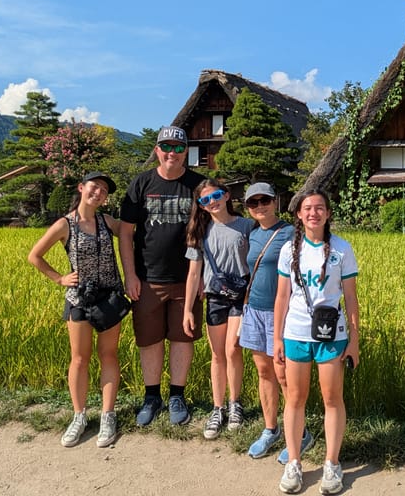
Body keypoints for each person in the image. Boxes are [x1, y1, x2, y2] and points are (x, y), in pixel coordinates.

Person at [27, 171, 124, 448]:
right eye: (95, 187)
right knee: (79, 358)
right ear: (82, 188)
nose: (99, 193)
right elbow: (34, 255)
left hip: (109, 298)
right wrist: (59, 278)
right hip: (79, 299)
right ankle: (79, 415)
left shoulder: (107, 222)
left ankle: (107, 415)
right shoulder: (65, 224)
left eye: (104, 191)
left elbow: (132, 231)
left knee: (108, 355)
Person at [273, 189, 360, 495]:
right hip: (296, 332)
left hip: (332, 336)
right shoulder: (288, 250)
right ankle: (294, 462)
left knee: (332, 398)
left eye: (320, 207)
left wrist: (354, 340)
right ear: (299, 214)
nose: (314, 213)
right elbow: (282, 297)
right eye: (308, 208)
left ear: (328, 213)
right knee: (295, 398)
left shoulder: (341, 249)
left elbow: (350, 298)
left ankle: (331, 464)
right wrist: (277, 339)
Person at [119, 126, 205, 427]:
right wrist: (129, 275)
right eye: (166, 146)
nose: (172, 152)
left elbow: (215, 229)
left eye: (179, 148)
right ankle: (151, 395)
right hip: (147, 278)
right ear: (157, 150)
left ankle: (177, 395)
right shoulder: (141, 183)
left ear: (186, 152)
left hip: (187, 279)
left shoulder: (198, 185)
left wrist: (205, 274)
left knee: (183, 338)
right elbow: (126, 233)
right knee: (149, 339)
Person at [237, 182, 313, 462]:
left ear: (276, 200)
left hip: (281, 313)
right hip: (253, 309)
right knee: (264, 372)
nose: (260, 206)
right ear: (247, 207)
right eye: (253, 203)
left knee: (283, 374)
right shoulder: (252, 232)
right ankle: (271, 429)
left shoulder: (292, 233)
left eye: (264, 200)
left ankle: (300, 433)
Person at [182, 179, 255, 440]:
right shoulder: (201, 232)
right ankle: (218, 407)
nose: (211, 202)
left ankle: (235, 404)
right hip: (214, 298)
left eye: (215, 196)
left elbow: (257, 262)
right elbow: (193, 274)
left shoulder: (246, 226)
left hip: (240, 297)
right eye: (204, 200)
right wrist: (188, 309)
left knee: (232, 349)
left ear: (226, 195)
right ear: (200, 206)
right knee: (217, 354)